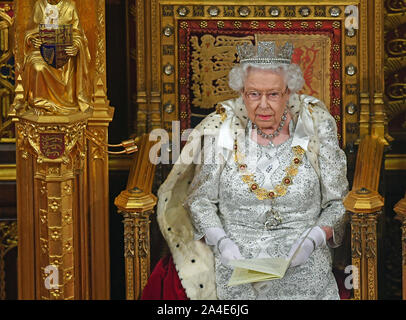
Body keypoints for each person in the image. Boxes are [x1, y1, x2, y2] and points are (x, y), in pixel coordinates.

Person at [156, 41, 348, 300]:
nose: (263, 105)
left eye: (273, 94)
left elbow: (339, 203)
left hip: (302, 261)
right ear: (242, 94)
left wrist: (314, 239)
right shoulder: (223, 131)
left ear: (288, 92)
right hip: (237, 262)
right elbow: (200, 200)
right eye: (254, 94)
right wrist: (220, 242)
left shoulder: (317, 129)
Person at [22, 0, 91, 115]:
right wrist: (33, 40)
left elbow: (78, 34)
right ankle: (40, 103)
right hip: (41, 51)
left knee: (67, 62)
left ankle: (67, 101)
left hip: (64, 53)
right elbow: (30, 32)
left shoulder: (70, 7)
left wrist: (76, 46)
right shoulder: (39, 5)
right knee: (37, 66)